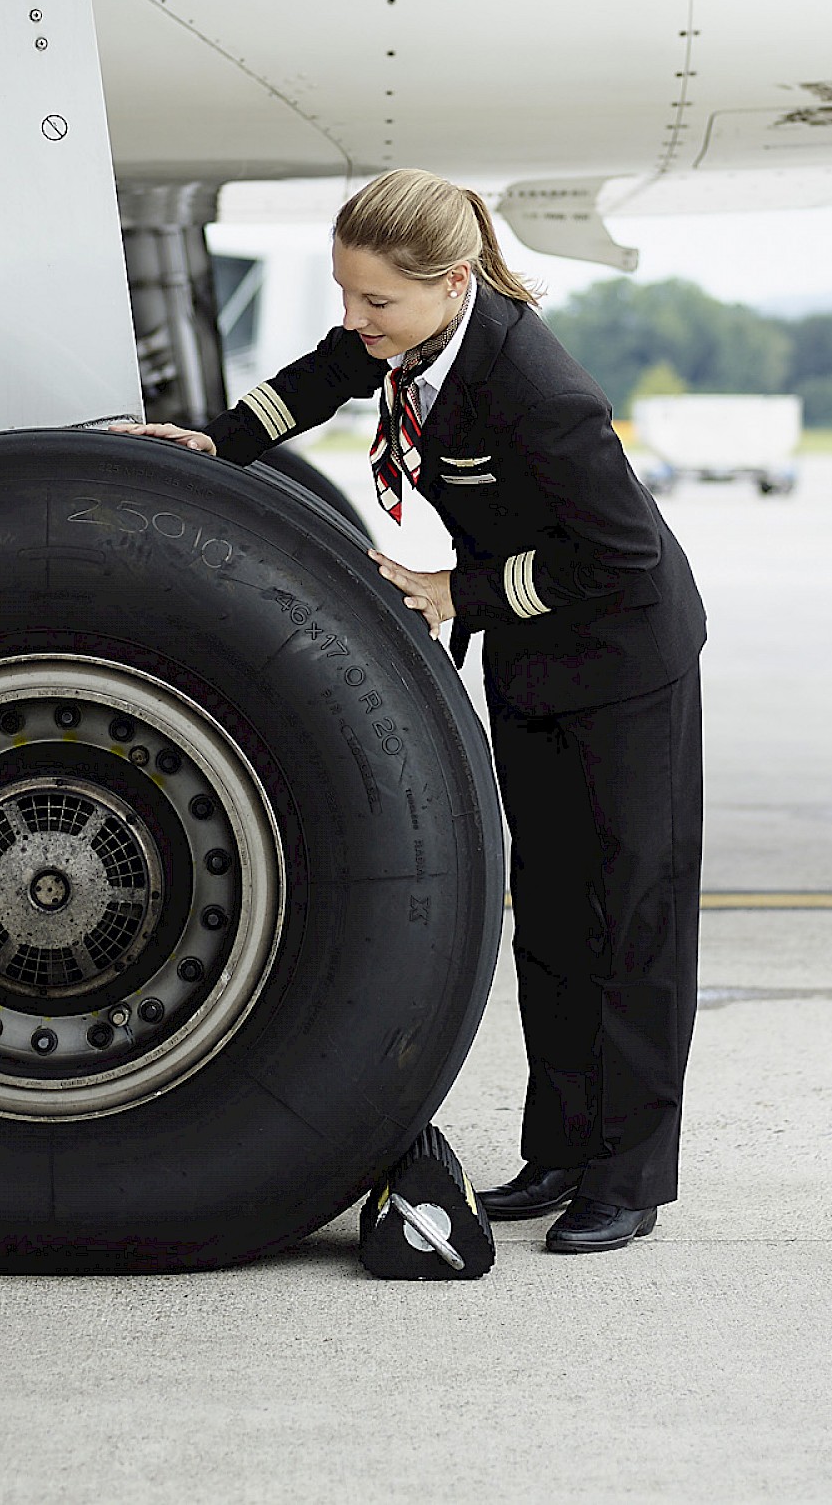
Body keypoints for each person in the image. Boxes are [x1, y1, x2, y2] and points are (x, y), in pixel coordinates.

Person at [115, 169, 705, 1255]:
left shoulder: (537, 386)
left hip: (625, 662)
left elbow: (621, 560)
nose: (355, 319)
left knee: (631, 919)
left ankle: (628, 1179)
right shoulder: (408, 338)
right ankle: (562, 1149)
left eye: (375, 301)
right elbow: (324, 372)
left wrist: (455, 592)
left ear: (452, 281)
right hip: (536, 659)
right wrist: (217, 440)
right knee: (554, 916)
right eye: (345, 292)